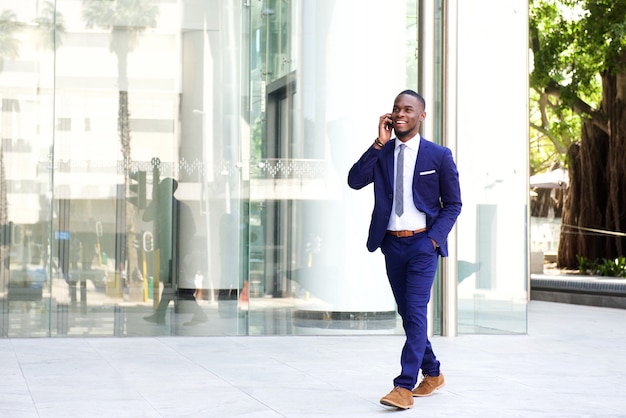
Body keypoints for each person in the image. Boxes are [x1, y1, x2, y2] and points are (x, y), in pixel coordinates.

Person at [347, 90, 462, 410]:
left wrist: (434, 239)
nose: (400, 113)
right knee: (408, 314)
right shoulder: (383, 152)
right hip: (392, 244)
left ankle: (403, 386)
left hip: (423, 244)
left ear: (421, 116)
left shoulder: (438, 155)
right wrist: (378, 143)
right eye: (396, 108)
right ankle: (434, 372)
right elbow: (355, 180)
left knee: (415, 311)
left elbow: (453, 204)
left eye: (408, 109)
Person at [143, 178, 208, 326]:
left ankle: (163, 315)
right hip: (169, 251)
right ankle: (161, 315)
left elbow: (191, 230)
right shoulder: (164, 206)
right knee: (171, 285)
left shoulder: (178, 207)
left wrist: (180, 246)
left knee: (173, 284)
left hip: (175, 252)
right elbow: (146, 217)